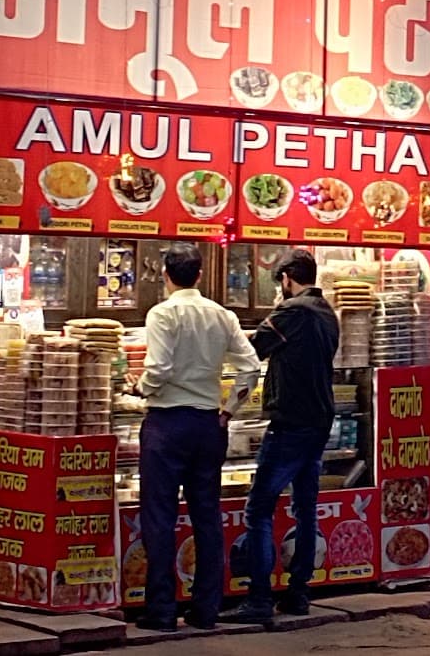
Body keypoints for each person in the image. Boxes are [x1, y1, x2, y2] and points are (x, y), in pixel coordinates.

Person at [133, 244, 261, 633]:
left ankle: (161, 610)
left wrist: (141, 388)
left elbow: (158, 367)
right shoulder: (222, 315)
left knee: (160, 517)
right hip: (208, 425)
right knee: (207, 516)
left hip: (167, 424)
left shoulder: (163, 313)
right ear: (200, 275)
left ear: (166, 275)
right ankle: (206, 609)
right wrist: (227, 411)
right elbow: (251, 368)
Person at [222, 251, 339, 630]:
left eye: (280, 283)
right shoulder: (326, 311)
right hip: (319, 422)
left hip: (290, 424)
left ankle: (258, 598)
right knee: (305, 507)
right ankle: (298, 592)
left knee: (259, 508)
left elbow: (253, 349)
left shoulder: (295, 312)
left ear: (288, 277)